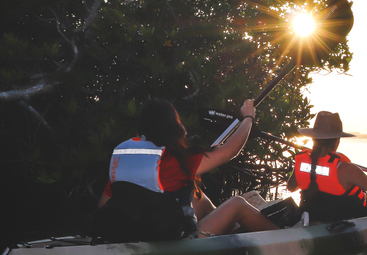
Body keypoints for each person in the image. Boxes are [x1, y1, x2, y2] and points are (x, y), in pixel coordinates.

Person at [94, 98, 278, 242]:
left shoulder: (124, 162)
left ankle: (229, 231)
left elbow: (104, 205)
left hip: (133, 233)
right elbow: (229, 151)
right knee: (238, 203)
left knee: (199, 198)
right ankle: (286, 237)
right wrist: (248, 118)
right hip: (171, 243)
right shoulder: (175, 161)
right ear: (172, 127)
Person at [287, 111, 367, 223]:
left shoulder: (301, 162)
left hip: (314, 215)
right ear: (337, 141)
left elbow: (291, 187)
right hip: (352, 218)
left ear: (313, 138)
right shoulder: (347, 169)